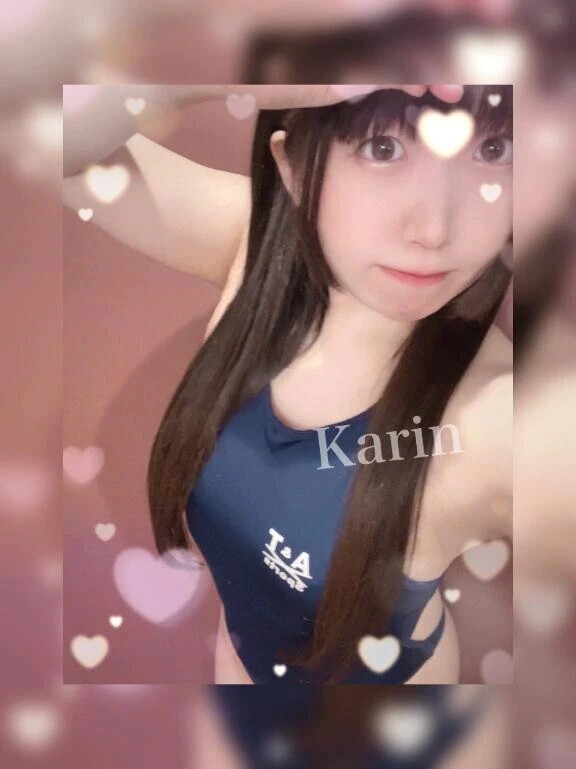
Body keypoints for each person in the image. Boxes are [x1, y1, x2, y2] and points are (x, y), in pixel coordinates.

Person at [63, 83, 512, 684]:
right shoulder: (252, 243)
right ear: (293, 164)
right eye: (382, 147)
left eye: (494, 149)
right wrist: (249, 72)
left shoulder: (497, 417)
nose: (434, 229)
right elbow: (51, 135)